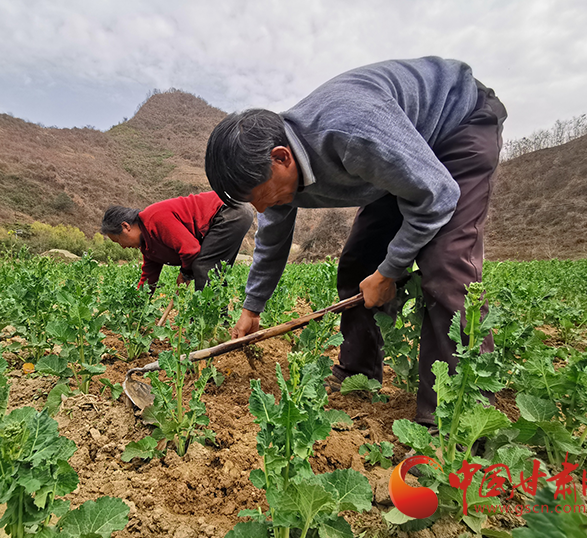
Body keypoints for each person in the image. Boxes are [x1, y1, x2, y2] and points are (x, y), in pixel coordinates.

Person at [205, 56, 507, 426]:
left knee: (446, 267)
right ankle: (359, 375)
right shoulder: (278, 178)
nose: (260, 207)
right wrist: (252, 309)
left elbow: (437, 195)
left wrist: (391, 271)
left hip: (455, 125)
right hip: (398, 158)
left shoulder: (351, 132)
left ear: (280, 157)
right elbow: (271, 242)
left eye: (258, 195)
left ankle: (458, 422)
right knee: (358, 265)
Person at [102, 191, 254, 291]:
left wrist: (186, 273)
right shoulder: (148, 247)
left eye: (118, 240)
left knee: (204, 266)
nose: (122, 247)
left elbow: (190, 250)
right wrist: (136, 306)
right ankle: (217, 326)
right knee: (215, 274)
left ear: (125, 227)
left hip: (229, 211)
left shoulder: (154, 218)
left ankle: (207, 328)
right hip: (230, 214)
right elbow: (149, 278)